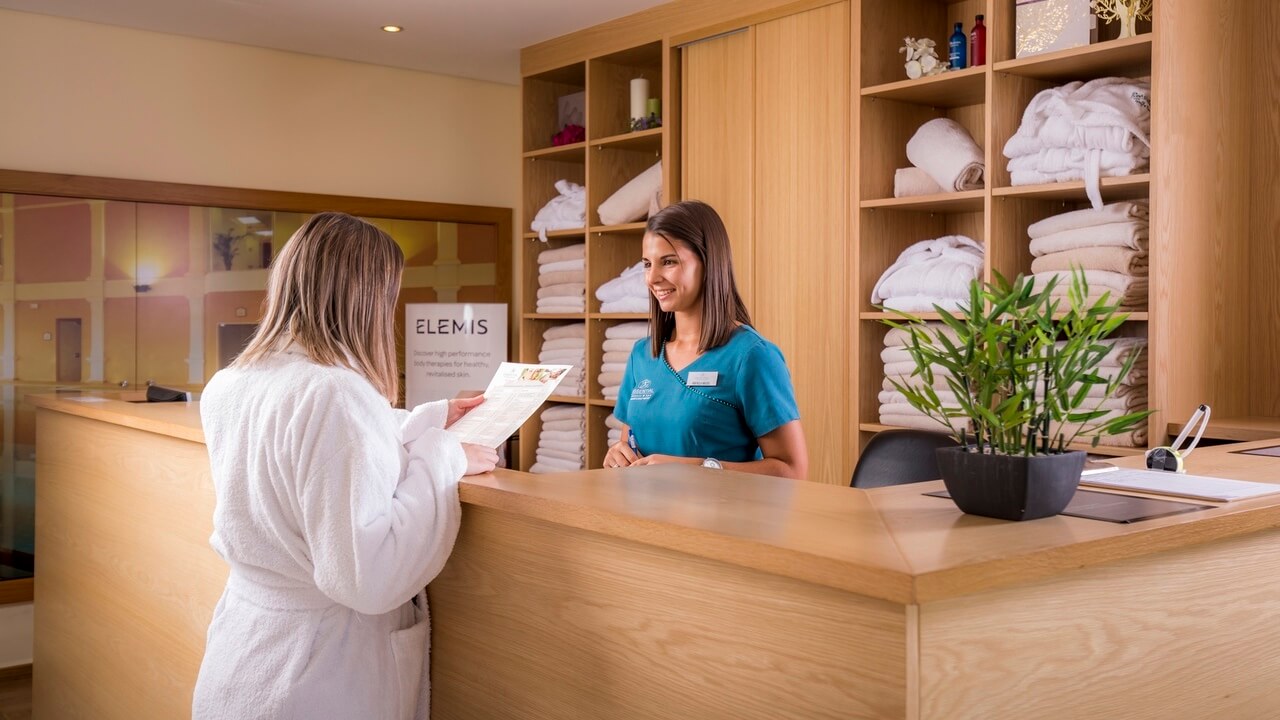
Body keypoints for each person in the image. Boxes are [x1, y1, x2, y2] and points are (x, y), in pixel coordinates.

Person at [192, 212, 498, 720]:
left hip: (244, 656)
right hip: (316, 676)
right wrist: (443, 457)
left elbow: (313, 462)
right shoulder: (335, 393)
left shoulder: (232, 383)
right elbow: (367, 576)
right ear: (367, 298)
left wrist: (430, 421)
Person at [603, 201, 808, 479]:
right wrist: (618, 453)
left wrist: (700, 468)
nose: (652, 278)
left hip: (721, 520)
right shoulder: (643, 356)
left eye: (669, 262)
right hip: (644, 517)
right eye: (647, 264)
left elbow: (793, 471)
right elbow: (630, 445)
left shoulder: (751, 357)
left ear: (708, 261)